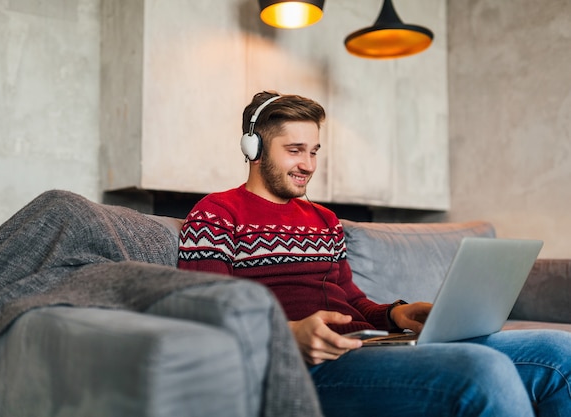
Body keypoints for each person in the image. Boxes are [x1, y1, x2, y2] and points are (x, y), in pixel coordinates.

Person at [177, 91, 571, 417]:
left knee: (559, 352)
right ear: (255, 148)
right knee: (482, 370)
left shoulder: (325, 219)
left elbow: (353, 301)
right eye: (295, 150)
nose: (308, 165)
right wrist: (288, 334)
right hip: (307, 366)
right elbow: (207, 312)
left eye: (314, 151)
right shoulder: (216, 215)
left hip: (369, 346)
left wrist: (396, 314)